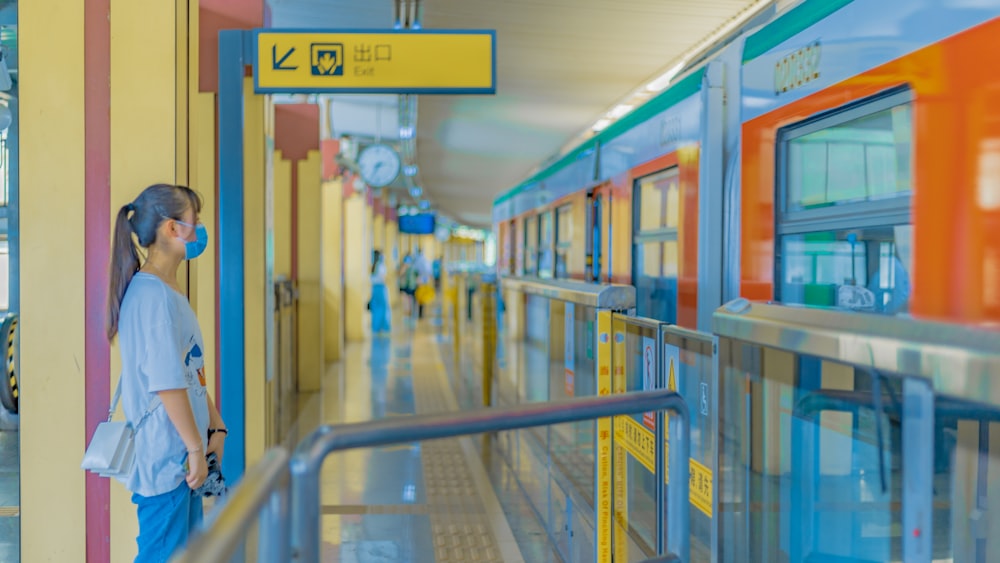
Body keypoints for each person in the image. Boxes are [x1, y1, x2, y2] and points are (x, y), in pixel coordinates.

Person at [105, 184, 227, 562]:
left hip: (182, 452)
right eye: (196, 221)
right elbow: (165, 383)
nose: (201, 229)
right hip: (168, 456)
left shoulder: (167, 290)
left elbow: (188, 371)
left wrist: (215, 426)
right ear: (173, 229)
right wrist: (193, 446)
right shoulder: (152, 295)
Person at [369, 250, 391, 335]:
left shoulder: (373, 266)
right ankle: (383, 327)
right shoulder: (381, 266)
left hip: (374, 288)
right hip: (381, 288)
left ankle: (376, 327)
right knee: (383, 308)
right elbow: (383, 277)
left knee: (376, 308)